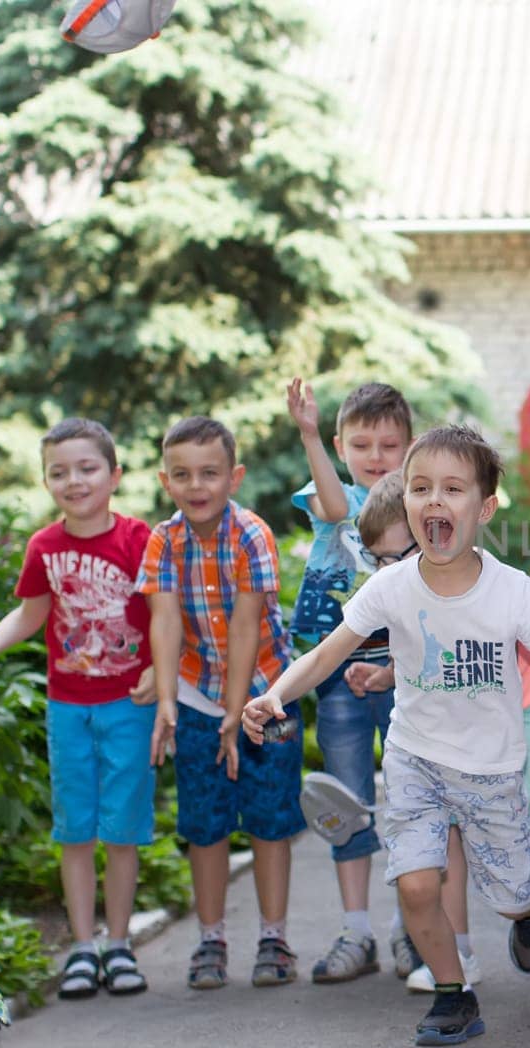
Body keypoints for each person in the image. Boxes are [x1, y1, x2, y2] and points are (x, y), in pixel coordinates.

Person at [242, 425, 530, 1047]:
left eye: (452, 488)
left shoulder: (512, 591)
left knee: (509, 895)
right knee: (418, 882)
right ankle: (453, 993)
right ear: (407, 504)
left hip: (492, 770)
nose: (434, 501)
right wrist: (274, 694)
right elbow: (327, 654)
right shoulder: (390, 586)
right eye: (421, 489)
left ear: (485, 507)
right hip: (416, 760)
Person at [340, 476, 530, 993]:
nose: (387, 571)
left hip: (524, 706)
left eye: (394, 556)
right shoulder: (402, 588)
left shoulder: (497, 584)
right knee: (445, 833)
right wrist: (386, 675)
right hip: (456, 732)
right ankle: (461, 953)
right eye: (378, 561)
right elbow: (432, 657)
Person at [0, 418, 155, 999]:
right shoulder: (44, 546)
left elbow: (168, 614)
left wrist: (159, 671)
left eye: (87, 467)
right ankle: (81, 946)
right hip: (68, 707)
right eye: (59, 471)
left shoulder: (138, 538)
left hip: (129, 704)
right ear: (46, 482)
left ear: (114, 475)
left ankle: (118, 945)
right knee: (75, 830)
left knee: (121, 831)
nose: (74, 480)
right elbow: (31, 613)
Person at [136, 416, 306, 991]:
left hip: (266, 696)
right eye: (182, 475)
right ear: (166, 481)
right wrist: (165, 703)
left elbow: (244, 625)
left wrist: (238, 718)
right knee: (204, 825)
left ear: (233, 476)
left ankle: (274, 938)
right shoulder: (164, 539)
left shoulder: (252, 534)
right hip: (195, 695)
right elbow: (162, 622)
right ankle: (210, 940)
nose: (197, 485)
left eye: (209, 473)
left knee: (268, 819)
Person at [285, 379, 414, 984]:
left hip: (406, 671)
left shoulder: (418, 503)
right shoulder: (325, 493)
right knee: (347, 798)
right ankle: (355, 929)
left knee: (413, 799)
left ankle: (412, 929)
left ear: (410, 447)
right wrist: (308, 433)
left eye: (390, 444)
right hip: (337, 669)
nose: (375, 456)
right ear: (339, 446)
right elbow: (341, 513)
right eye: (360, 443)